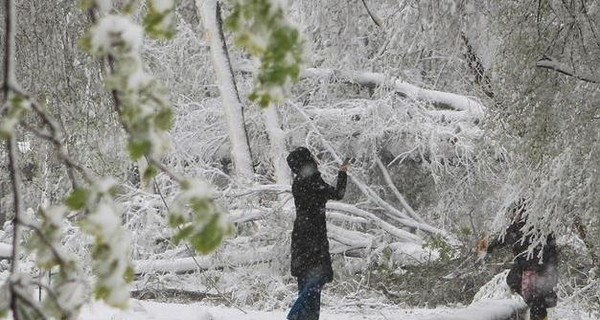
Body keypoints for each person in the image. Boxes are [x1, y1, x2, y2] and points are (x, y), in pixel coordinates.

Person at [286, 147, 348, 320]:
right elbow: (338, 194)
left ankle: (301, 317)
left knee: (307, 283)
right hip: (314, 239)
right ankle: (294, 316)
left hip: (301, 238)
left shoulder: (299, 182)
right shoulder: (313, 182)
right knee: (315, 281)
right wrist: (342, 174)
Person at [485, 200, 559, 320]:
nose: (512, 216)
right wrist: (489, 247)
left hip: (540, 269)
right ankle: (538, 309)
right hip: (525, 269)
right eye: (511, 214)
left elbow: (551, 249)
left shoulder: (538, 226)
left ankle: (539, 313)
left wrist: (549, 269)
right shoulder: (514, 228)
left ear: (523, 212)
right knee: (517, 284)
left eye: (514, 213)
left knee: (537, 301)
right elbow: (502, 239)